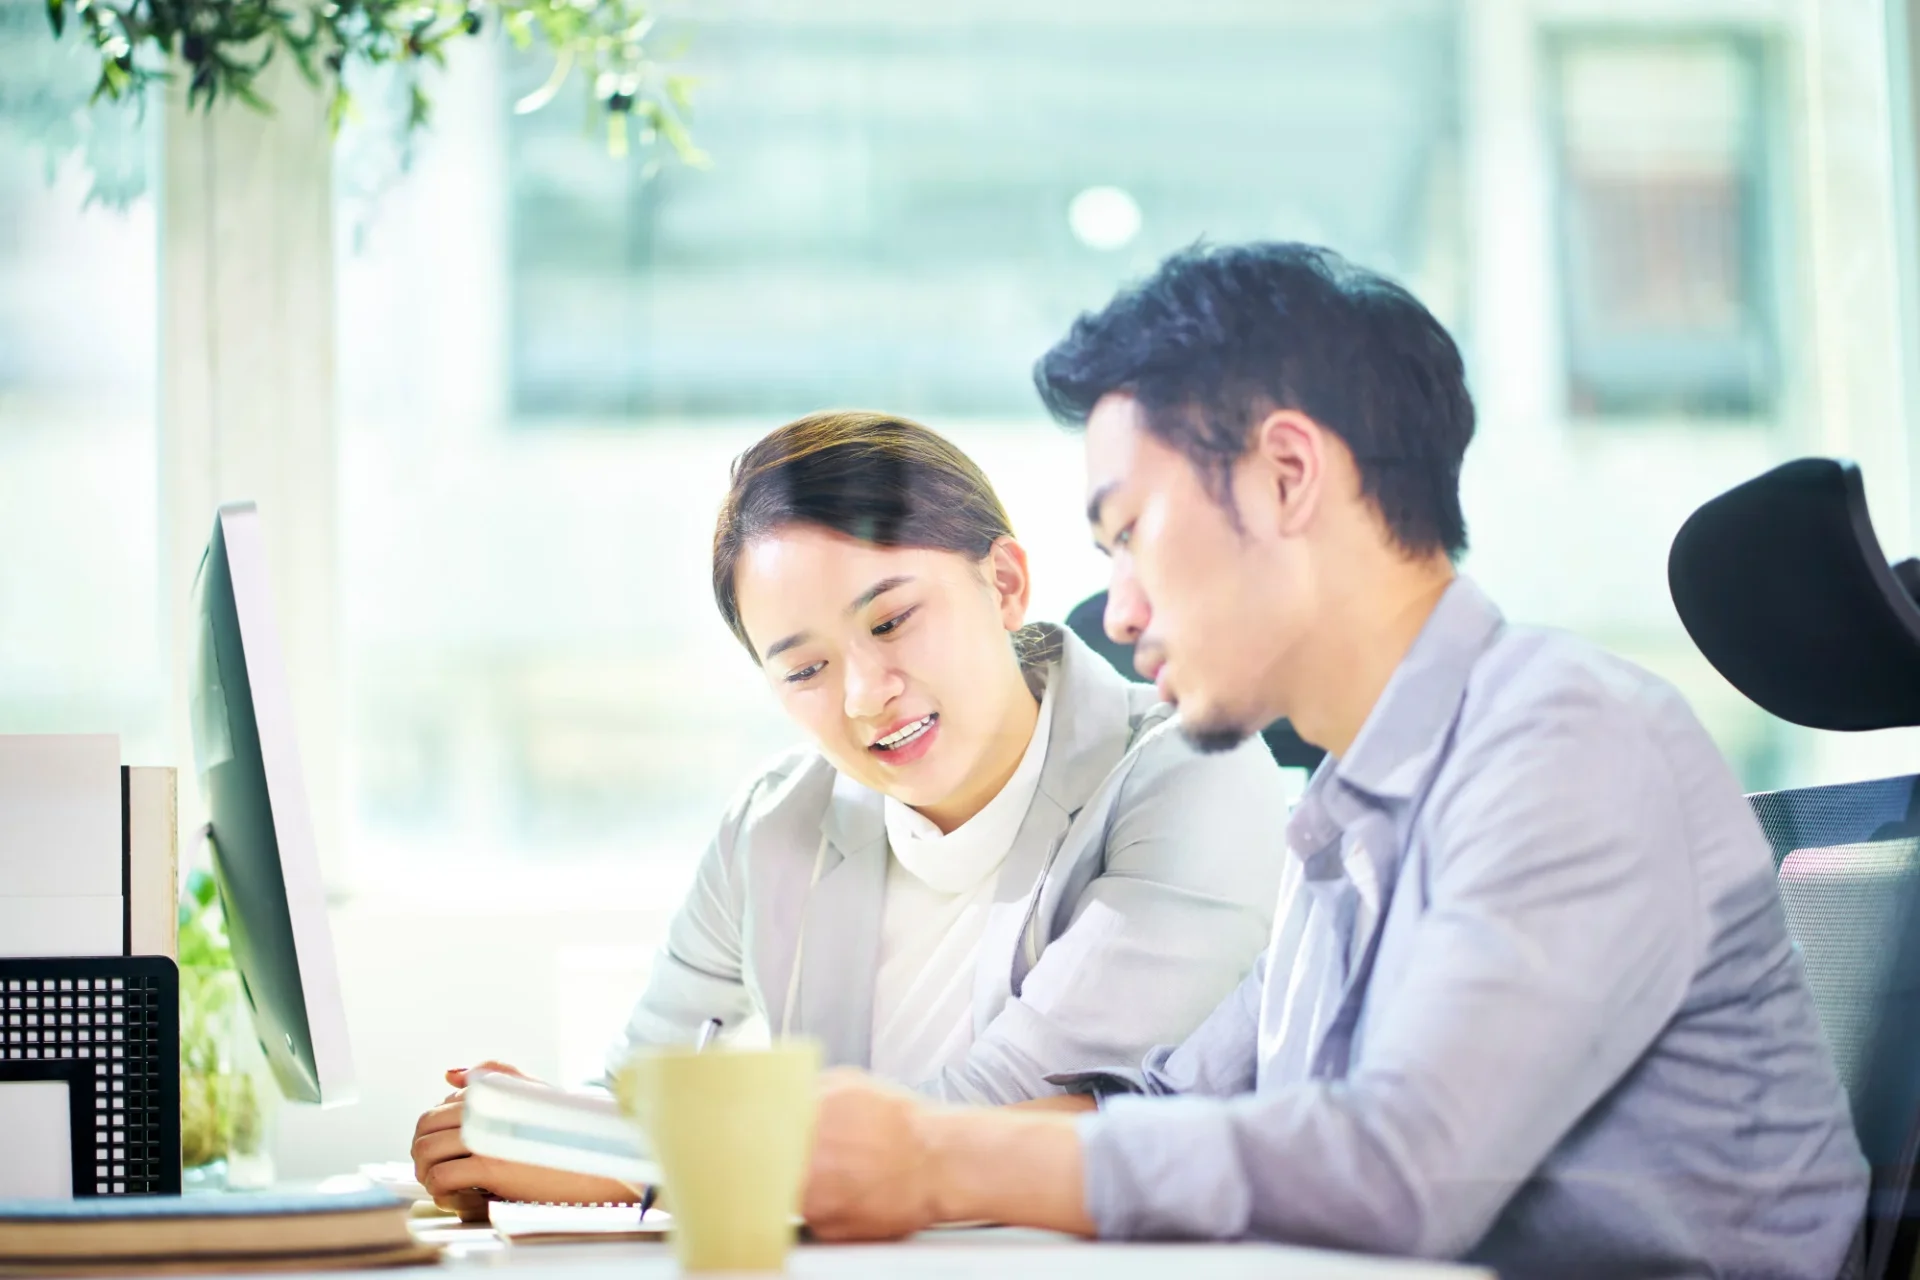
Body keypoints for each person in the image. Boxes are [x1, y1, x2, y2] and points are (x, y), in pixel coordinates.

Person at [798, 245, 1869, 1278]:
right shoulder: (1352, 807)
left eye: (1129, 533)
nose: (1117, 614)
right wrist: (845, 1157)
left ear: (1287, 475)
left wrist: (940, 1161)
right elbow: (1168, 1108)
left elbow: (1401, 1168)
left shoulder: (1570, 740)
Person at [410, 409, 1290, 1214]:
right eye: (804, 669)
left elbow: (1007, 1109)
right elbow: (638, 1092)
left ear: (1005, 582)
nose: (865, 695)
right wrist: (525, 1129)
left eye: (892, 620)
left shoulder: (1192, 773)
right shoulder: (774, 825)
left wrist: (626, 1153)